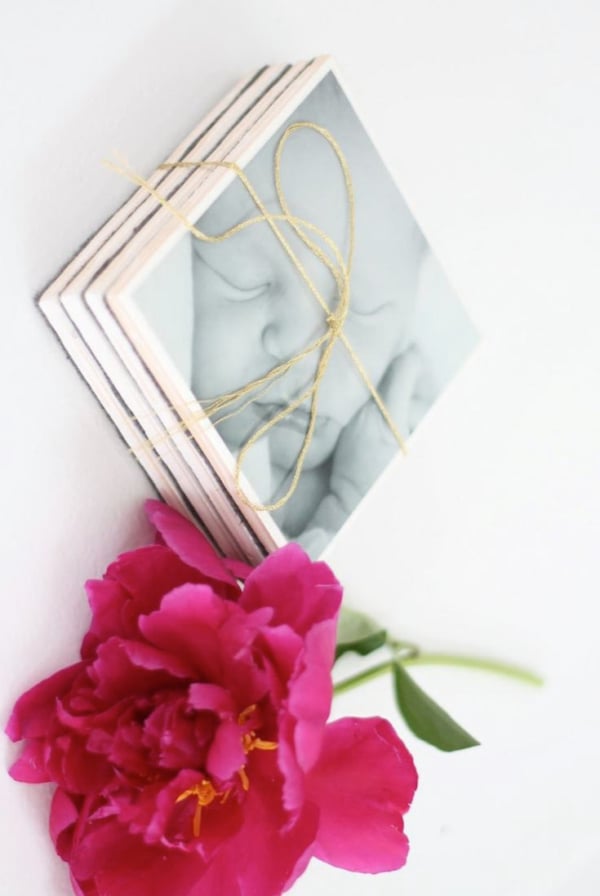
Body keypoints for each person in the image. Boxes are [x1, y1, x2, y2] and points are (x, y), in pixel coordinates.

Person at [190, 73, 436, 554]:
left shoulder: (385, 464)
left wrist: (351, 505)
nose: (302, 352)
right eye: (248, 282)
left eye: (359, 310)